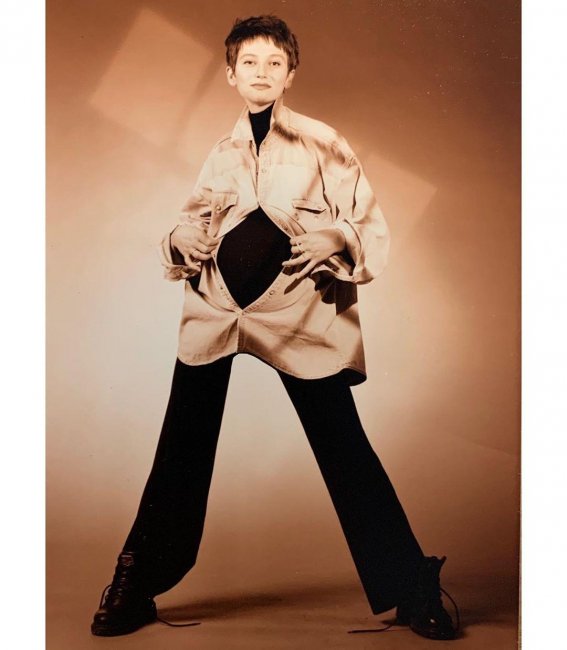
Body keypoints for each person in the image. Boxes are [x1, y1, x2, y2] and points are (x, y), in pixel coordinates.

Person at [90, 15, 458, 641]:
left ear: (290, 75)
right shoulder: (221, 152)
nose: (261, 73)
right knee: (180, 446)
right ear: (230, 74)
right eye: (249, 63)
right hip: (216, 310)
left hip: (296, 313)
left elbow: (366, 222)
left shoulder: (324, 142)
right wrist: (179, 237)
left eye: (274, 63)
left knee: (343, 444)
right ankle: (136, 581)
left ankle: (411, 587)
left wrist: (334, 235)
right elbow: (190, 221)